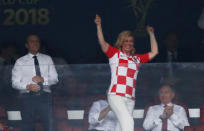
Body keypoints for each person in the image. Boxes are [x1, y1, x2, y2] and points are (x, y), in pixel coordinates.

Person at [94, 14, 158, 131]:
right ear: (121, 42)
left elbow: (154, 52)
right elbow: (102, 43)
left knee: (120, 126)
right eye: (126, 41)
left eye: (131, 41)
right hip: (116, 95)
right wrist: (99, 26)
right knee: (128, 122)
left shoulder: (136, 59)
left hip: (130, 98)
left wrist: (151, 34)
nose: (129, 43)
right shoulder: (115, 54)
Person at [12, 34, 58, 131]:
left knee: (49, 126)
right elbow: (14, 83)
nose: (35, 43)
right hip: (27, 98)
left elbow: (55, 78)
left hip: (44, 96)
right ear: (26, 45)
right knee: (27, 127)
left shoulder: (47, 58)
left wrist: (43, 80)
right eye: (32, 41)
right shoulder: (20, 61)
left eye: (37, 41)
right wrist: (27, 86)